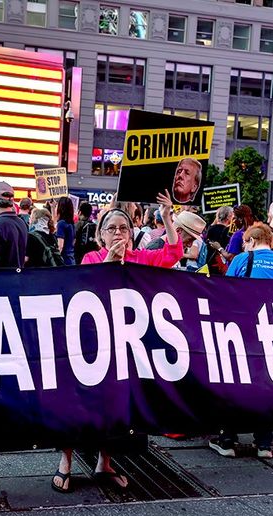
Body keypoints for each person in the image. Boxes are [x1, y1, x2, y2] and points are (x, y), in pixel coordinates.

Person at [53, 191, 182, 493]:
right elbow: (81, 293)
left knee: (116, 406)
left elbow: (174, 253)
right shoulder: (91, 258)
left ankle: (104, 463)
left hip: (125, 347)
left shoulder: (141, 259)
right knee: (79, 402)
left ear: (133, 234)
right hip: (91, 346)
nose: (118, 233)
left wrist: (166, 217)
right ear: (100, 235)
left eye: (123, 228)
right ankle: (66, 463)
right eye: (111, 228)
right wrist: (107, 267)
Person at [211, 224, 273, 459]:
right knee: (267, 386)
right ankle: (264, 444)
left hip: (244, 330)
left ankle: (227, 440)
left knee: (233, 383)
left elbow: (225, 291)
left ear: (250, 241)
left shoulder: (242, 260)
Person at [54, 196, 76, 265]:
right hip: (71, 259)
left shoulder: (61, 224)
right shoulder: (71, 224)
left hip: (63, 261)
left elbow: (60, 246)